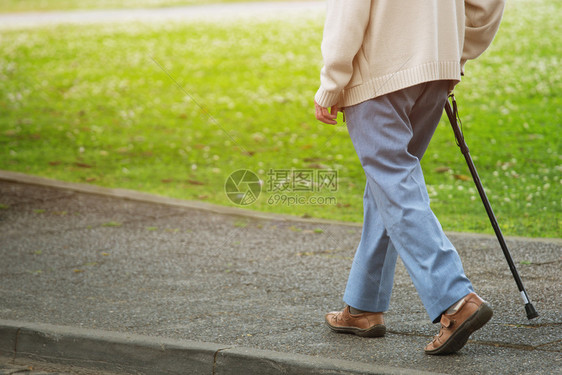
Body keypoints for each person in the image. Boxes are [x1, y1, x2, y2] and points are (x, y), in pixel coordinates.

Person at [314, 0, 505, 355]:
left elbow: (348, 9)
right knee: (387, 187)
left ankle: (456, 300)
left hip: (379, 74)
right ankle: (362, 307)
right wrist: (451, 52)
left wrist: (332, 81)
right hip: (435, 70)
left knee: (393, 184)